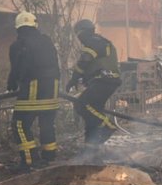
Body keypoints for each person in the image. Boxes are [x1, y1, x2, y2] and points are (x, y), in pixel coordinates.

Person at [7, 11, 60, 172]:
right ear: (35, 25)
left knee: (19, 124)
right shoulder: (47, 41)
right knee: (47, 123)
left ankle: (29, 161)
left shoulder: (17, 45)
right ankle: (49, 157)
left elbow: (17, 68)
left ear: (18, 28)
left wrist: (11, 82)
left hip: (34, 88)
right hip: (53, 88)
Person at [66, 19, 122, 160]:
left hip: (104, 81)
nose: (79, 38)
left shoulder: (92, 42)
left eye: (78, 35)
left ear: (82, 32)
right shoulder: (100, 41)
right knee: (92, 115)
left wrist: (74, 78)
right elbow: (93, 63)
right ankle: (90, 150)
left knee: (82, 104)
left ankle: (108, 125)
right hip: (105, 81)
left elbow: (84, 61)